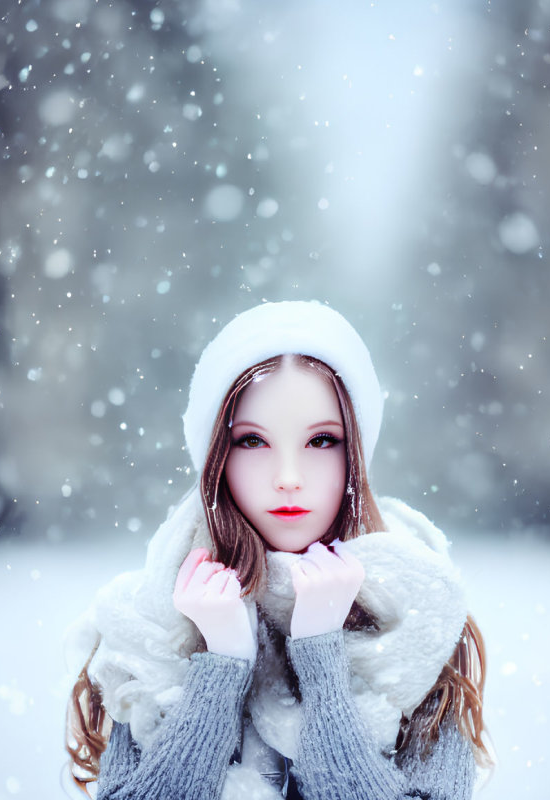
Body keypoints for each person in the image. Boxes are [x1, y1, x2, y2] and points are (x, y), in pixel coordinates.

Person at [65, 301, 491, 799]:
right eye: (252, 442)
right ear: (216, 460)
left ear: (355, 452)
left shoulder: (416, 614)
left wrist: (321, 661)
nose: (288, 478)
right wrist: (221, 667)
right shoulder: (154, 621)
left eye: (321, 441)